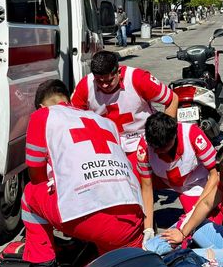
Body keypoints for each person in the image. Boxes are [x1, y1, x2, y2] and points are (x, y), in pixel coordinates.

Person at [16, 79, 144, 267]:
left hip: (90, 218)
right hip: (131, 224)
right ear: (67, 100)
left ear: (42, 107)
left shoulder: (43, 117)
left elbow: (35, 173)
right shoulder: (104, 121)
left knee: (30, 195)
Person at [72, 51, 178, 179]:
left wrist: (166, 136)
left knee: (132, 181)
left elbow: (172, 99)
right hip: (107, 142)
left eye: (109, 81)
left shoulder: (138, 78)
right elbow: (73, 119)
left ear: (118, 72)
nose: (104, 85)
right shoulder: (85, 86)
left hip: (140, 138)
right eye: (99, 82)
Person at [136, 112, 220, 241]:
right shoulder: (144, 147)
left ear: (175, 136)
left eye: (164, 148)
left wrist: (195, 209)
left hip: (198, 183)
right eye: (155, 148)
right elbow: (147, 188)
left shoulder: (192, 134)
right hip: (170, 182)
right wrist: (148, 228)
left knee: (205, 227)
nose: (158, 152)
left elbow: (215, 174)